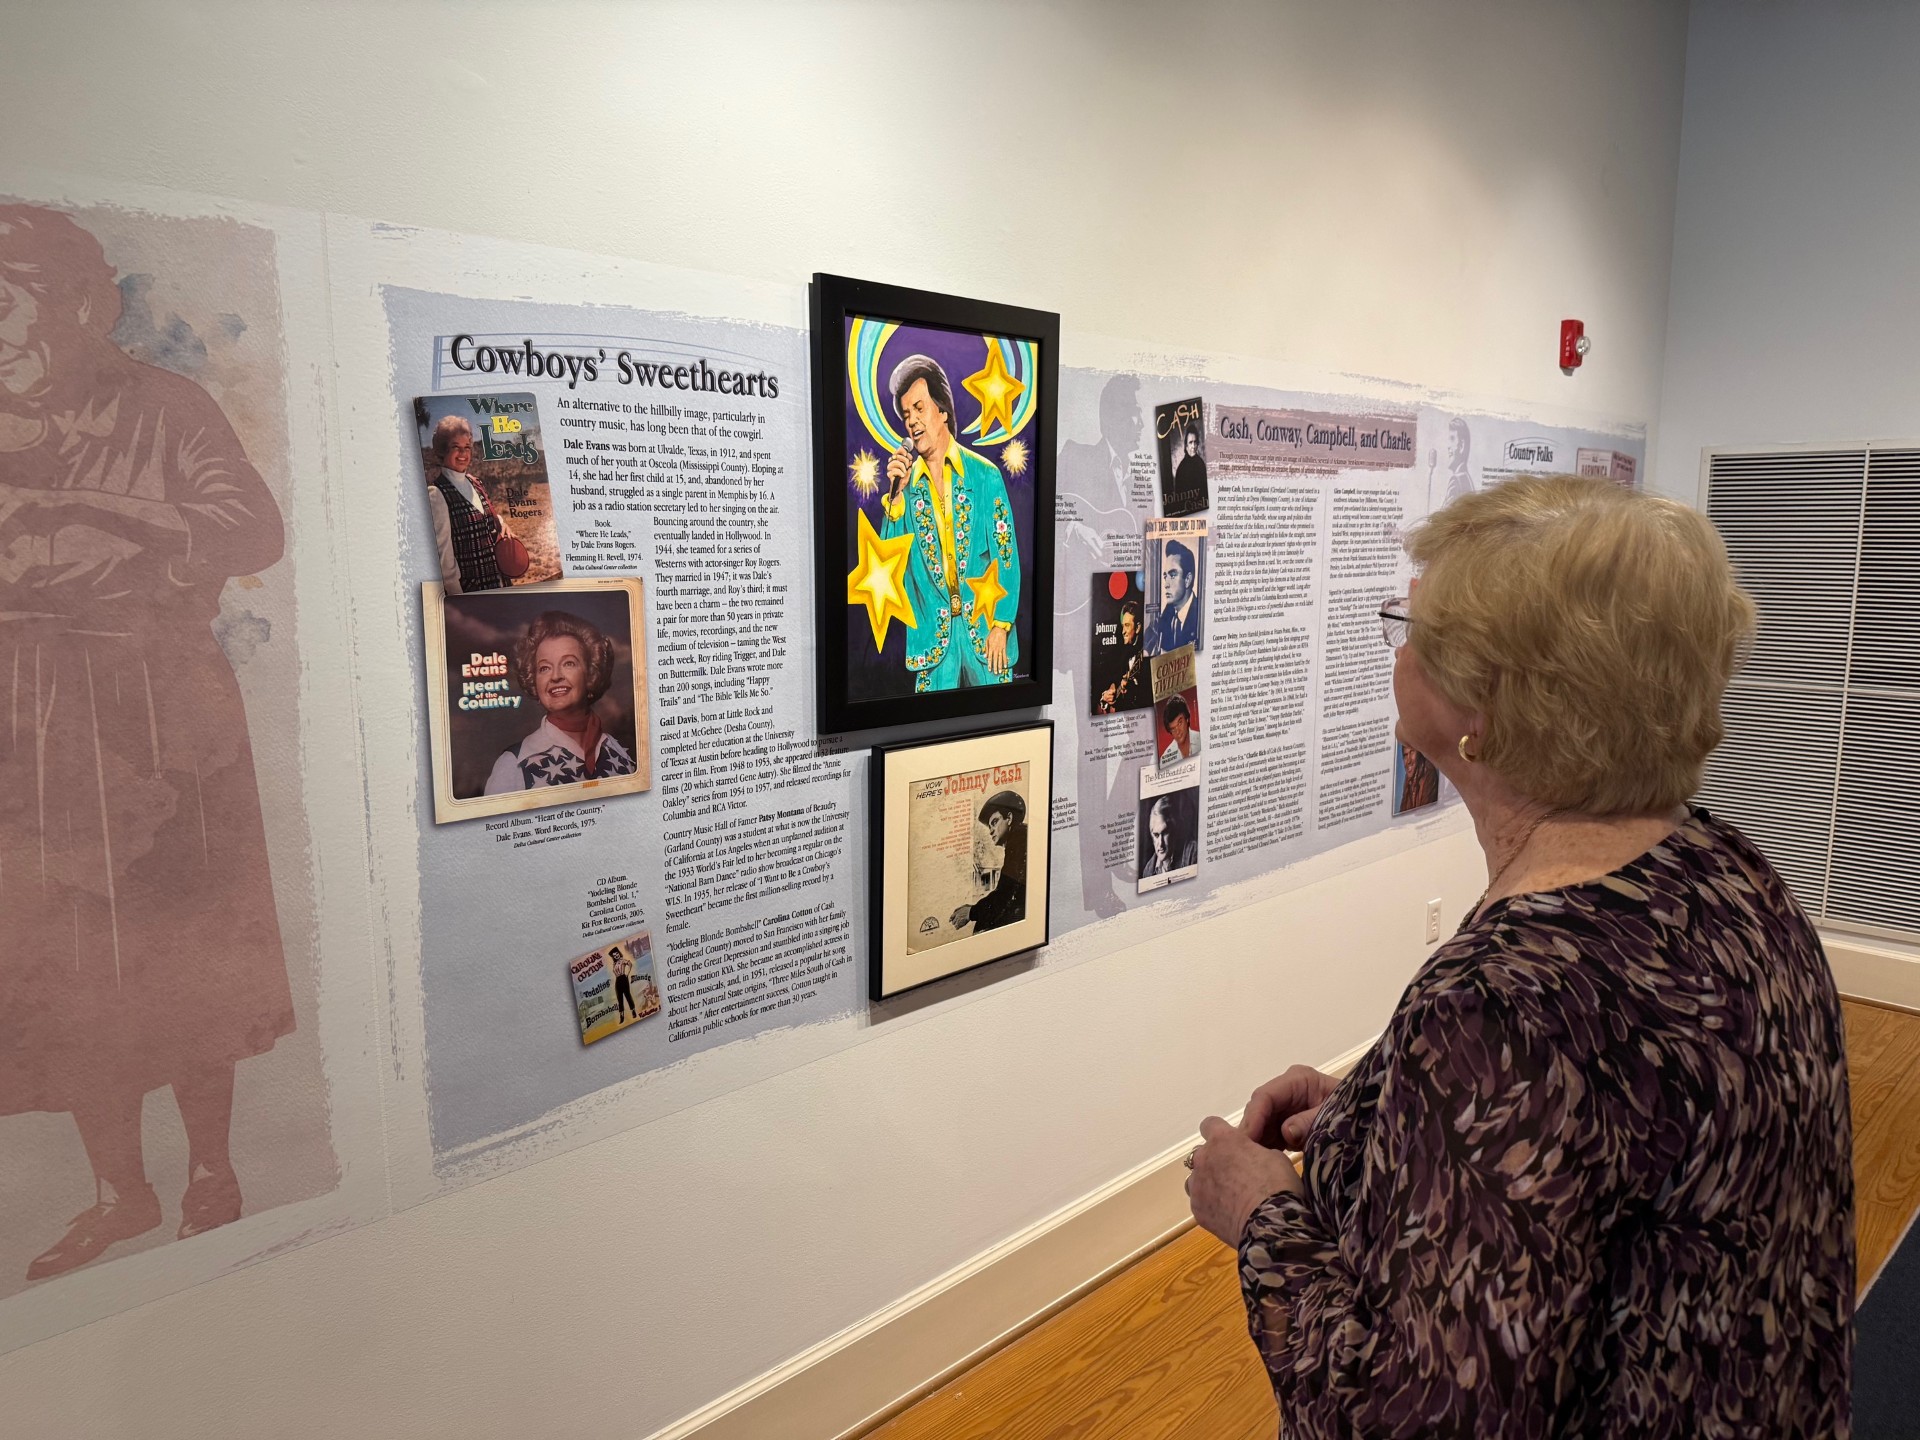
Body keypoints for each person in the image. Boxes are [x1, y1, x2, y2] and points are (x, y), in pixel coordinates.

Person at [1184, 476, 1852, 1438]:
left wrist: (1261, 1220)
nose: (1397, 646)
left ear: (1483, 709)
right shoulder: (1726, 873)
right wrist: (1383, 1125)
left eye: (1410, 627)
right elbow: (1610, 1153)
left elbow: (1417, 1420)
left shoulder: (1507, 1007)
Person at [0, 205, 296, 1279]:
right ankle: (119, 1195)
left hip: (161, 716)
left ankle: (211, 1172)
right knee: (79, 965)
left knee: (186, 952)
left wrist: (136, 543)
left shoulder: (164, 406)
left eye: (8, 301)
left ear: (83, 306)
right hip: (29, 721)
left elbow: (251, 527)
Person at [880, 354, 1022, 692]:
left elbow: (1007, 557)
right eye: (906, 414)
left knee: (1000, 730)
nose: (912, 422)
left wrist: (1001, 625)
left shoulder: (985, 475)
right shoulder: (906, 489)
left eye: (919, 408)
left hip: (987, 640)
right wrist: (896, 500)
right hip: (933, 647)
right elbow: (890, 570)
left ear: (942, 410)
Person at [485, 610, 637, 792]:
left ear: (591, 674)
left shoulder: (617, 752)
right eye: (544, 668)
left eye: (568, 663)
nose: (555, 676)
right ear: (534, 680)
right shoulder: (514, 764)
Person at [424, 413, 518, 594]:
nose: (463, 453)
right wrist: (460, 601)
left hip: (500, 583)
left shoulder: (475, 482)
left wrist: (502, 523)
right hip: (472, 592)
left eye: (467, 447)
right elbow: (445, 564)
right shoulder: (437, 494)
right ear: (443, 450)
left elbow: (482, 515)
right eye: (455, 447)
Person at [950, 791, 1027, 933]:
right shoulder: (1019, 839)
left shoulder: (1019, 839)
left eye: (994, 822)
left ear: (1009, 818)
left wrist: (972, 912)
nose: (991, 831)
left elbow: (1006, 894)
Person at [1147, 539, 1200, 654]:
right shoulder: (1168, 612)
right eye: (1165, 576)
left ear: (1187, 580)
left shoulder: (1200, 616)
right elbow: (1150, 632)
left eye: (1173, 575)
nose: (1166, 584)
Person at [1097, 602, 1150, 713]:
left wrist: (1133, 688)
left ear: (1138, 627)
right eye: (1122, 626)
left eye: (1127, 625)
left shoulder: (1147, 656)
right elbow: (1111, 686)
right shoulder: (1122, 656)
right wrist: (1106, 697)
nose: (1123, 631)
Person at [1140, 793, 1197, 877]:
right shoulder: (1148, 870)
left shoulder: (1192, 852)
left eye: (1165, 833)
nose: (1161, 844)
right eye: (1156, 835)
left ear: (1174, 831)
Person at [1158, 693, 1200, 767]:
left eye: (1180, 723)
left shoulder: (1202, 740)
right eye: (1173, 729)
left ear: (1187, 719)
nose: (1178, 731)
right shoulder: (1165, 761)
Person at [1171, 424, 1208, 505]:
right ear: (1186, 445)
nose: (1193, 446)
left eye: (1195, 442)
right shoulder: (1181, 468)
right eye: (1190, 442)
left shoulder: (1201, 464)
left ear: (1198, 444)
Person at [608, 945, 638, 1022]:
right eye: (614, 955)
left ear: (619, 953)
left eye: (617, 954)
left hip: (623, 978)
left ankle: (633, 1011)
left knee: (628, 995)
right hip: (617, 981)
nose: (616, 956)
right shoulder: (614, 964)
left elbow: (630, 964)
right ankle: (622, 1016)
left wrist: (627, 974)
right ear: (613, 957)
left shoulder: (622, 960)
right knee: (619, 998)